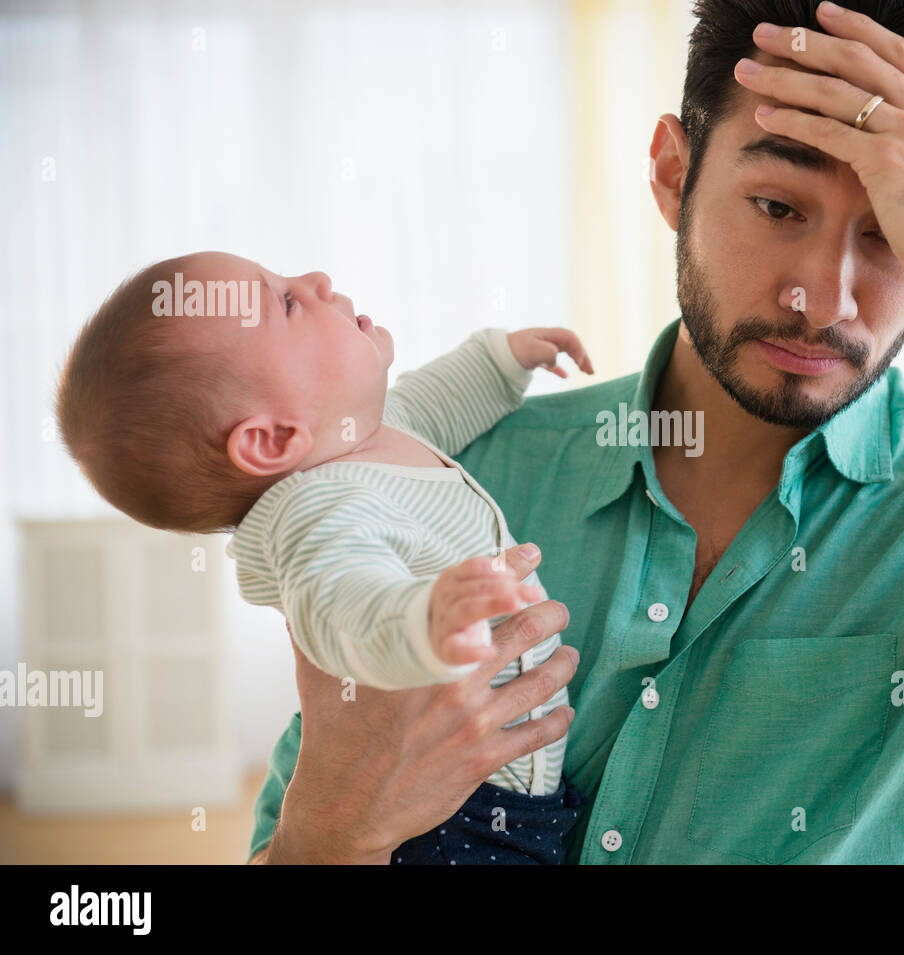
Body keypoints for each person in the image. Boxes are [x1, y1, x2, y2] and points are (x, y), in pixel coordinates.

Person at [249, 0, 904, 864]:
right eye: (777, 205)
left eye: (893, 232)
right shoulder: (453, 477)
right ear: (670, 173)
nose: (820, 298)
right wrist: (329, 828)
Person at [55, 249, 595, 864]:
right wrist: (421, 624)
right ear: (273, 438)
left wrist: (498, 361)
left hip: (497, 791)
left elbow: (433, 402)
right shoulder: (318, 512)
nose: (316, 281)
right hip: (447, 821)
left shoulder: (365, 440)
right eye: (286, 302)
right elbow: (343, 606)